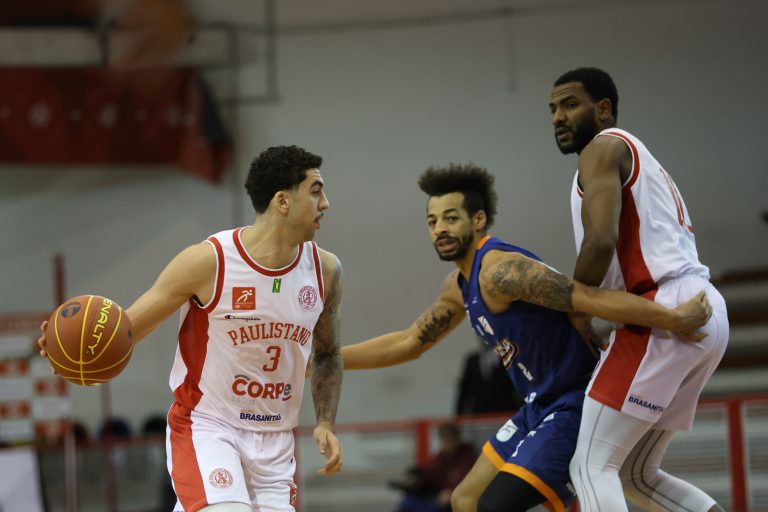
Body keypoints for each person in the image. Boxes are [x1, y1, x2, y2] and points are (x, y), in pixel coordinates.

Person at [339, 164, 712, 512]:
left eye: (451, 218)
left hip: (574, 401)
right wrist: (324, 360)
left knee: (493, 506)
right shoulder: (457, 285)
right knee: (465, 499)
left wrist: (672, 317)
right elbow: (408, 342)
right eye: (432, 221)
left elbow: (588, 296)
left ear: (478, 220)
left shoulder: (501, 271)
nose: (440, 229)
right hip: (537, 405)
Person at [38, 145, 344, 512]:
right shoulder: (209, 262)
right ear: (282, 201)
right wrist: (72, 348)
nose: (325, 203)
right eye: (315, 191)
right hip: (208, 427)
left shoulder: (325, 271)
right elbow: (126, 329)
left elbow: (328, 354)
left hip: (276, 441)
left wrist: (325, 422)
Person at [550, 67, 729, 511]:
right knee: (634, 473)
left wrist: (577, 306)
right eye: (552, 109)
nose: (558, 117)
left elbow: (600, 241)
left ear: (603, 109)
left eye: (569, 104)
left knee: (589, 466)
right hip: (703, 311)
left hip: (661, 310)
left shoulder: (602, 147)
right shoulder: (637, 156)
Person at [390, 422, 477, 512]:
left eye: (449, 440)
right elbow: (430, 475)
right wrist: (415, 482)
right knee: (408, 500)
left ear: (457, 439)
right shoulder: (441, 457)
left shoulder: (467, 458)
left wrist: (451, 491)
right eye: (444, 440)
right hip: (436, 496)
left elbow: (467, 482)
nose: (447, 444)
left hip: (453, 501)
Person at [456, 338, 524, 416]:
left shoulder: (509, 358)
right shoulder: (472, 360)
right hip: (479, 413)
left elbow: (517, 389)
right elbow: (465, 390)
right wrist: (458, 415)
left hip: (505, 413)